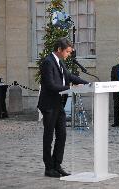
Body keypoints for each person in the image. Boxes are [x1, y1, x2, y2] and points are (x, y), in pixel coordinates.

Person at [37, 37, 89, 178]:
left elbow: (69, 76)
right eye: (67, 51)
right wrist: (70, 88)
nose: (68, 54)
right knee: (48, 137)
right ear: (59, 50)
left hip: (58, 105)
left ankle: (57, 165)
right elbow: (50, 85)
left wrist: (88, 84)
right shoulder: (48, 62)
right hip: (48, 105)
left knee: (62, 135)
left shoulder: (60, 62)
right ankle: (49, 168)